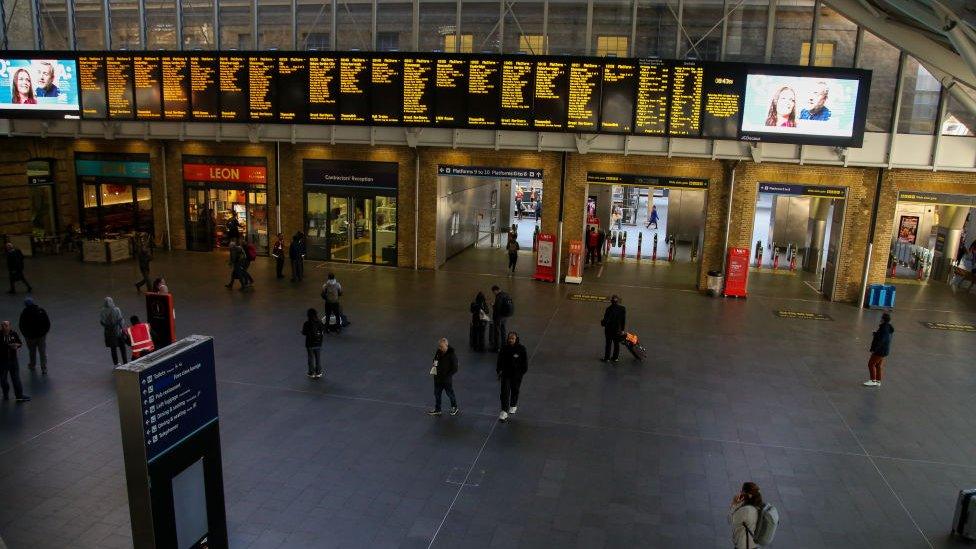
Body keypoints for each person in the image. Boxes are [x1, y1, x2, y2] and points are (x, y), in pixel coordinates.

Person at [496, 331, 528, 422]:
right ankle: (504, 411)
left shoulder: (521, 349)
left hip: (516, 376)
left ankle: (513, 404)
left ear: (516, 339)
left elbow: (524, 364)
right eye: (509, 338)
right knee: (504, 392)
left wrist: (520, 373)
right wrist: (498, 371)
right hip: (506, 375)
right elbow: (499, 361)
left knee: (515, 390)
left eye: (512, 338)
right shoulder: (504, 348)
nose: (510, 340)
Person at [427, 338, 459, 416]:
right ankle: (438, 409)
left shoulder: (451, 355)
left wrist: (448, 375)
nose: (440, 348)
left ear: (446, 345)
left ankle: (454, 407)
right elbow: (435, 359)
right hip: (437, 378)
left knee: (450, 394)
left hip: (446, 380)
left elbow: (455, 368)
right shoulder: (439, 352)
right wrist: (435, 364)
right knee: (437, 394)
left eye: (441, 346)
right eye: (439, 346)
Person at [0, 321, 30, 402]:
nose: (4, 327)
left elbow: (19, 343)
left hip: (13, 360)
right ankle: (5, 394)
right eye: (2, 326)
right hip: (2, 361)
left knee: (16, 378)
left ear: (10, 326)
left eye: (6, 325)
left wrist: (17, 346)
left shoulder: (14, 334)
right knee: (3, 379)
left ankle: (19, 395)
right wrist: (9, 346)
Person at [18, 298, 50, 374]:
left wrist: (26, 335)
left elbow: (21, 325)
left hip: (30, 337)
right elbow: (47, 323)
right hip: (41, 336)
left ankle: (32, 365)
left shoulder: (24, 313)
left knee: (32, 352)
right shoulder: (41, 311)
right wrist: (44, 333)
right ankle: (44, 367)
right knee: (42, 351)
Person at [729, 482, 763, 549]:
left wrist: (734, 504)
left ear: (749, 495)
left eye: (742, 491)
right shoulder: (758, 506)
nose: (740, 493)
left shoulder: (746, 510)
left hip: (743, 545)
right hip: (753, 544)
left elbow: (730, 520)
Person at [864, 313, 894, 387]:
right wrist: (876, 334)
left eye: (881, 318)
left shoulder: (884, 328)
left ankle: (873, 380)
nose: (880, 319)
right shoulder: (888, 327)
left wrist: (874, 349)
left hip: (880, 350)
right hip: (884, 350)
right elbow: (883, 337)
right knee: (878, 365)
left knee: (871, 364)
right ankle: (878, 381)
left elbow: (882, 340)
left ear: (883, 319)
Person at [100, 297, 127, 365]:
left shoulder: (102, 311)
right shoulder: (116, 309)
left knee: (113, 349)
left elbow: (102, 322)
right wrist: (122, 328)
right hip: (118, 332)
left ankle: (116, 363)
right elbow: (121, 320)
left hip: (109, 333)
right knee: (122, 348)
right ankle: (125, 362)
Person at [600, 295, 626, 363]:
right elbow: (623, 320)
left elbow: (606, 320)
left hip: (609, 330)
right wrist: (622, 330)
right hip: (617, 330)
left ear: (611, 301)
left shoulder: (608, 309)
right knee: (616, 344)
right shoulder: (622, 309)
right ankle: (615, 358)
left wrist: (602, 323)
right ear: (618, 301)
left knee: (608, 344)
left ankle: (607, 358)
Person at [302, 308, 324, 378]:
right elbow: (322, 331)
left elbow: (304, 332)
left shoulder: (306, 323)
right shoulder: (319, 322)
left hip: (309, 344)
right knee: (318, 358)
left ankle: (311, 372)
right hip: (318, 343)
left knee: (310, 358)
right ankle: (318, 372)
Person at [490, 286, 513, 352]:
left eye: (493, 292)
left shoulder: (499, 296)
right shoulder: (506, 294)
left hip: (499, 316)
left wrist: (493, 305)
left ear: (495, 290)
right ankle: (504, 344)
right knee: (503, 329)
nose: (494, 294)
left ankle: (496, 347)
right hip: (505, 316)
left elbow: (497, 308)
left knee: (497, 332)